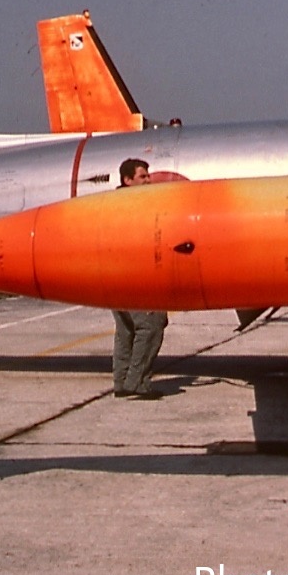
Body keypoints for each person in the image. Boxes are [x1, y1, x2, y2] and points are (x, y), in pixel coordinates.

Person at [112, 158, 167, 399]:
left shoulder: (113, 204)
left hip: (114, 277)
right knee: (152, 324)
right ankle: (138, 381)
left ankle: (122, 381)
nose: (148, 180)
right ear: (128, 180)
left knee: (126, 330)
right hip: (133, 276)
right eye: (143, 176)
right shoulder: (132, 207)